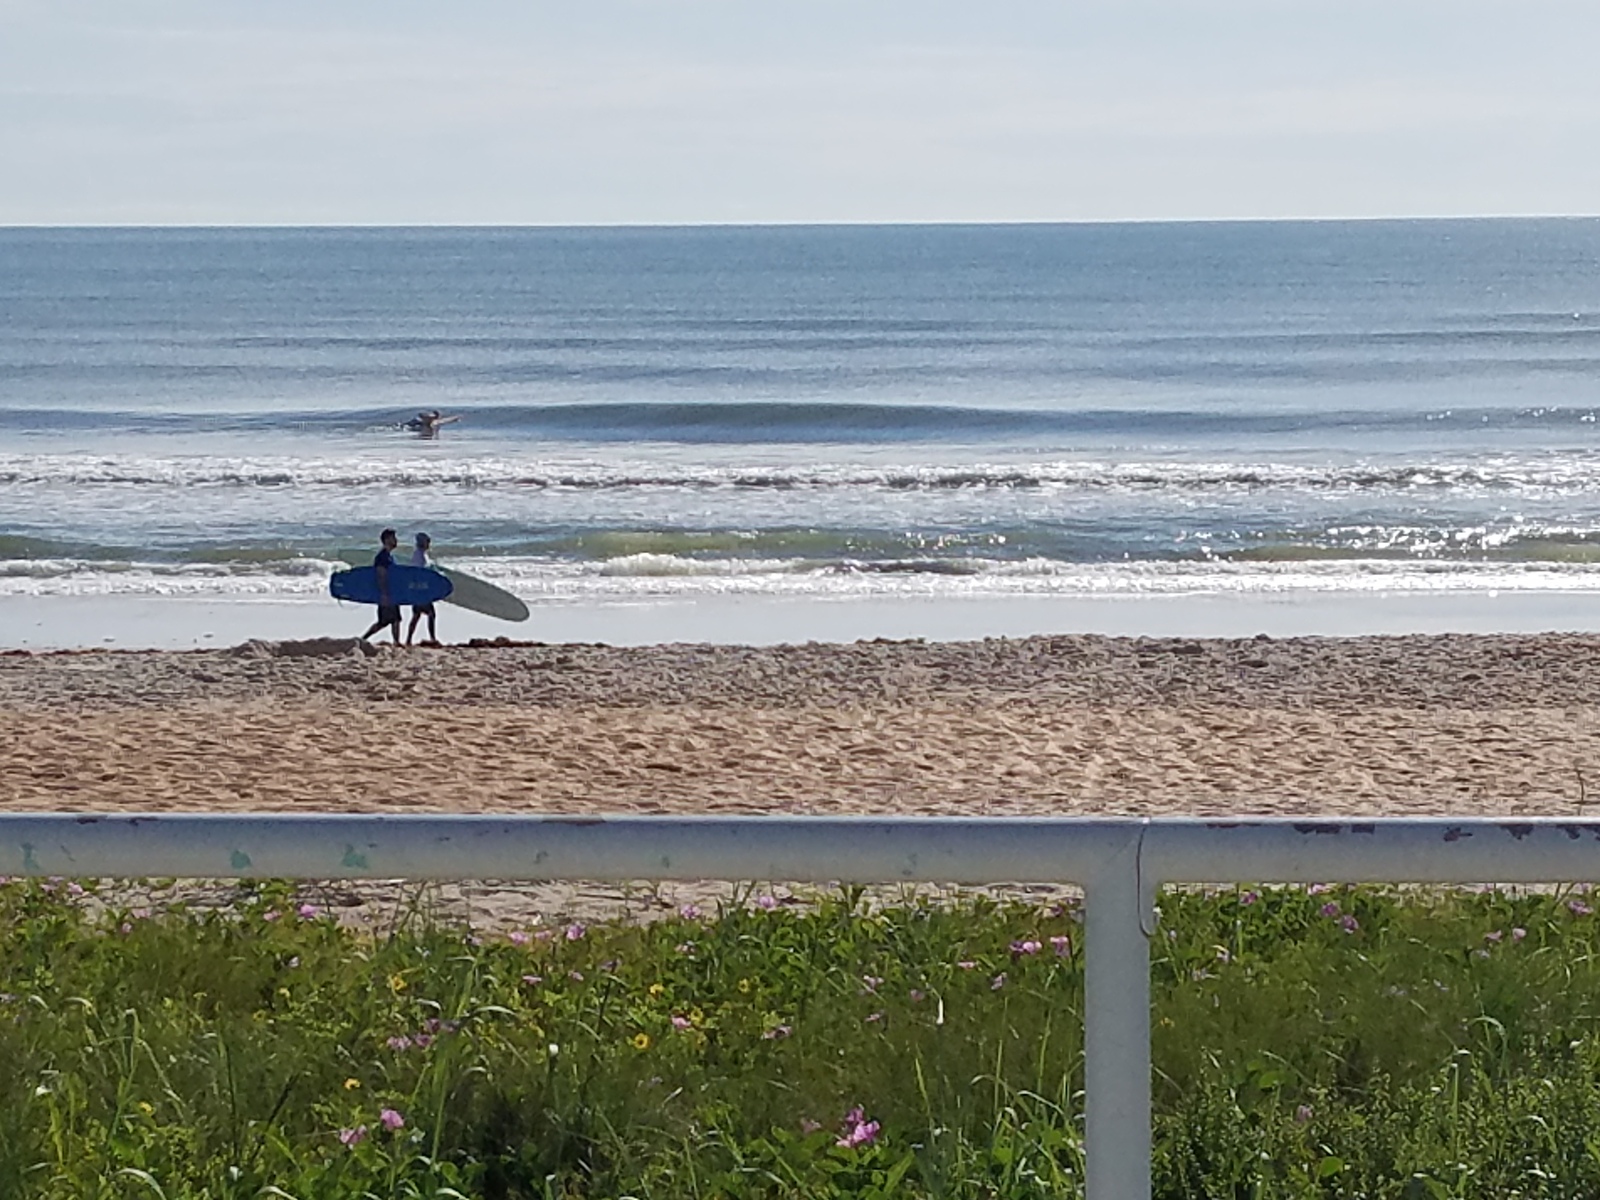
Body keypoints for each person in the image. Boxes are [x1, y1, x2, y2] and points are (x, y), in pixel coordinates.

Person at [360, 528, 403, 644]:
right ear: (387, 540)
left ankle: (396, 642)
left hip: (390, 592)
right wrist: (384, 593)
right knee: (385, 621)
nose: (396, 541)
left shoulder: (389, 556)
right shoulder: (382, 557)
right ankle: (363, 639)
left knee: (395, 619)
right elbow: (380, 575)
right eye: (393, 538)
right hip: (385, 593)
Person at [406, 532, 441, 647]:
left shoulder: (421, 554)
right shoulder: (419, 555)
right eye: (427, 542)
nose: (429, 544)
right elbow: (418, 572)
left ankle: (409, 639)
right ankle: (432, 638)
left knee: (417, 615)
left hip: (421, 590)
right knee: (430, 614)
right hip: (421, 590)